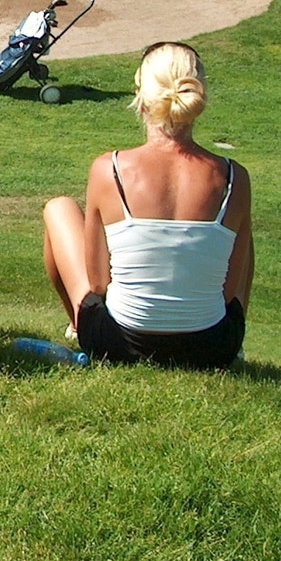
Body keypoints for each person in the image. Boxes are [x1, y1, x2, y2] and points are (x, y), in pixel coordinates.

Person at [41, 41, 253, 369]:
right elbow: (227, 293)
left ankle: (77, 326)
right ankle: (237, 350)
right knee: (241, 233)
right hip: (213, 348)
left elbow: (98, 284)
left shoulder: (109, 169)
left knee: (59, 208)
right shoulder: (233, 177)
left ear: (141, 98)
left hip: (118, 343)